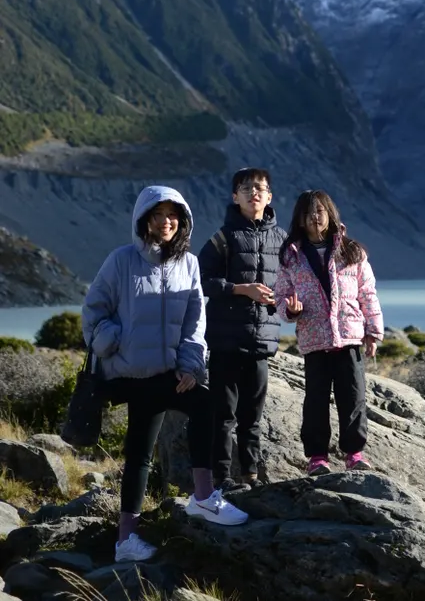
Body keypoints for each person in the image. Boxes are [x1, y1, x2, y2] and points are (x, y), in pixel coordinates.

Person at [82, 185, 249, 563]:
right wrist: (117, 341)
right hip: (131, 374)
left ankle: (186, 506)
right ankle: (148, 527)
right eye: (159, 215)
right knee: (143, 450)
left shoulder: (188, 264)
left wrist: (191, 365)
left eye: (174, 215)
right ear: (145, 220)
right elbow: (93, 313)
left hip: (170, 374)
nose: (167, 221)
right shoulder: (121, 261)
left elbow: (195, 322)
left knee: (197, 410)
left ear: (183, 221)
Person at [273, 190, 384, 475]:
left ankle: (355, 454)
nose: (315, 216)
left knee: (353, 397)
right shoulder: (291, 257)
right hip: (314, 340)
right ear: (299, 218)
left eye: (320, 210)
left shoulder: (352, 251)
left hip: (349, 338)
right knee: (316, 401)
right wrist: (291, 310)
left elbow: (368, 294)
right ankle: (318, 458)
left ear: (331, 213)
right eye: (308, 212)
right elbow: (281, 296)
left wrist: (373, 332)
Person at [198, 167, 284, 490]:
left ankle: (250, 475)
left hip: (261, 342)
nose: (254, 193)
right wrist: (240, 289)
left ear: (269, 197)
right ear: (235, 196)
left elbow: (293, 283)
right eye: (246, 188)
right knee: (224, 416)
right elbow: (202, 281)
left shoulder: (282, 239)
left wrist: (287, 301)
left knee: (253, 416)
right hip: (224, 341)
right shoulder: (223, 238)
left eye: (260, 188)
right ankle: (221, 479)